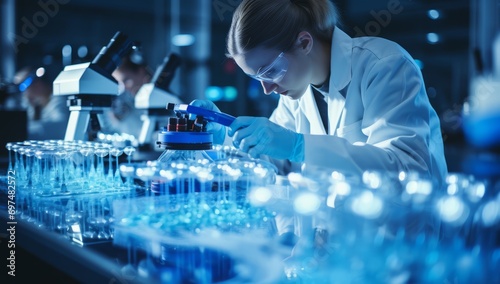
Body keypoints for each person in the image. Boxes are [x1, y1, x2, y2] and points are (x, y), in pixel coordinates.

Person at [192, 0, 448, 186]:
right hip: (338, 240)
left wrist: (300, 147)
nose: (266, 88)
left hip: (402, 240)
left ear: (304, 43)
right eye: (256, 78)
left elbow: (408, 170)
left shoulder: (384, 65)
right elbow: (274, 163)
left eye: (269, 71)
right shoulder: (296, 93)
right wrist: (224, 136)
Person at [14, 67, 70, 140]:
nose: (26, 91)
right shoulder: (32, 104)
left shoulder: (58, 100)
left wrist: (22, 130)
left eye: (28, 85)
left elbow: (60, 126)